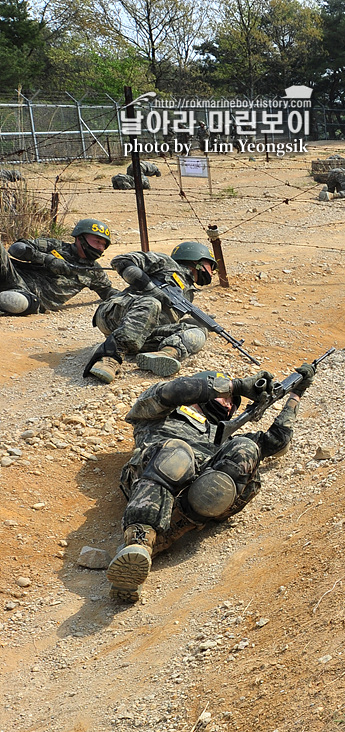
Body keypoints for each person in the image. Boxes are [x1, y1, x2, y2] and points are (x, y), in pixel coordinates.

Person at [105, 365, 314, 603]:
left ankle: (164, 536)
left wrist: (296, 394)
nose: (229, 405)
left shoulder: (222, 434)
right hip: (154, 479)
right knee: (178, 453)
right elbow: (175, 391)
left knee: (246, 449)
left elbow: (277, 441)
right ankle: (140, 541)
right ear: (205, 388)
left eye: (233, 404)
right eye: (225, 398)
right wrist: (237, 386)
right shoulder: (158, 412)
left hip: (199, 494)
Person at [85, 241, 219, 383]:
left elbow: (164, 318)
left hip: (142, 332)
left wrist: (193, 322)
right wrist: (150, 289)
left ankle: (166, 353)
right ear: (197, 261)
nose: (212, 272)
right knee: (151, 303)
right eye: (211, 267)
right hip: (114, 314)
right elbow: (121, 261)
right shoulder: (167, 264)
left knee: (197, 329)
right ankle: (109, 358)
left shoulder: (189, 293)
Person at [1, 218, 115, 316]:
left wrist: (131, 291)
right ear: (80, 238)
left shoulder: (94, 271)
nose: (101, 247)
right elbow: (16, 248)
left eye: (104, 245)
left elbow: (108, 292)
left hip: (32, 298)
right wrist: (47, 259)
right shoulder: (54, 246)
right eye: (97, 241)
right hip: (13, 276)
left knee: (15, 302)